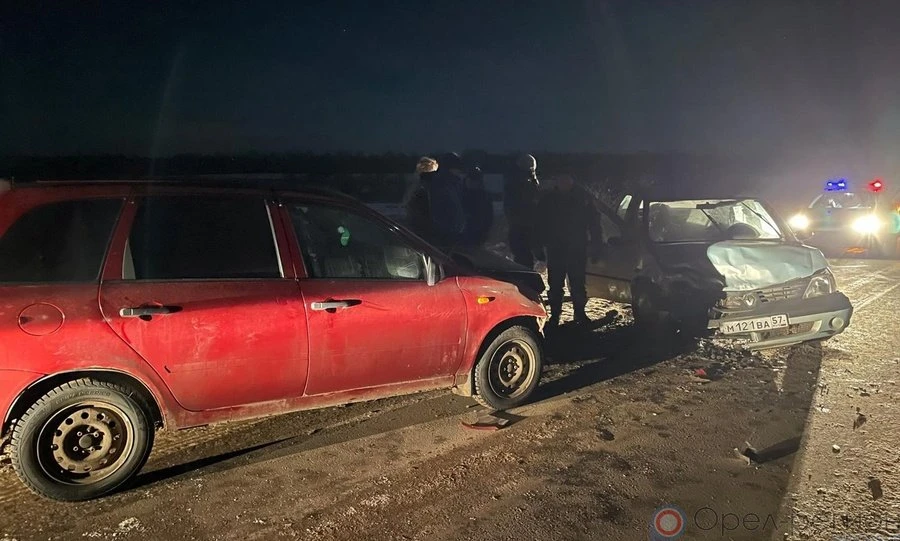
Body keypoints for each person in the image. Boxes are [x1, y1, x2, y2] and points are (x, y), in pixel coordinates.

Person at [538, 174, 602, 327]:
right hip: (556, 249)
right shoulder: (548, 200)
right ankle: (555, 316)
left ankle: (579, 313)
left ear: (572, 180)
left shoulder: (583, 198)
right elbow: (539, 224)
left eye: (567, 179)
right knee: (555, 284)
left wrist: (596, 245)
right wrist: (537, 245)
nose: (564, 182)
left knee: (578, 284)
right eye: (561, 179)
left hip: (577, 248)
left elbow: (594, 223)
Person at [503, 153, 545, 268]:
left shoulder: (514, 183)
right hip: (523, 227)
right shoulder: (523, 184)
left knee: (522, 256)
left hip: (521, 227)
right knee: (524, 259)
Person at [460, 164, 494, 246]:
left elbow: (488, 216)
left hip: (475, 232)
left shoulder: (483, 196)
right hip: (467, 232)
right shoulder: (463, 194)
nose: (473, 182)